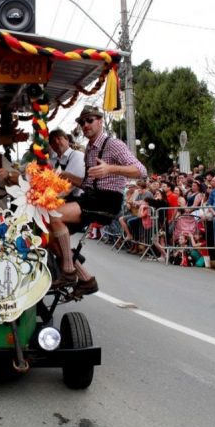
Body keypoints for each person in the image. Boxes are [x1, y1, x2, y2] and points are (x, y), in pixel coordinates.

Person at [48, 105, 147, 295]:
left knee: (55, 214)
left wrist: (110, 168)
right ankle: (86, 279)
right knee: (50, 237)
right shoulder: (89, 149)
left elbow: (141, 171)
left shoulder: (113, 144)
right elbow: (87, 183)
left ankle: (68, 271)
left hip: (107, 200)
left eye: (90, 120)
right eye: (82, 122)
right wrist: (68, 176)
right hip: (91, 197)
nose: (85, 124)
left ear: (100, 121)